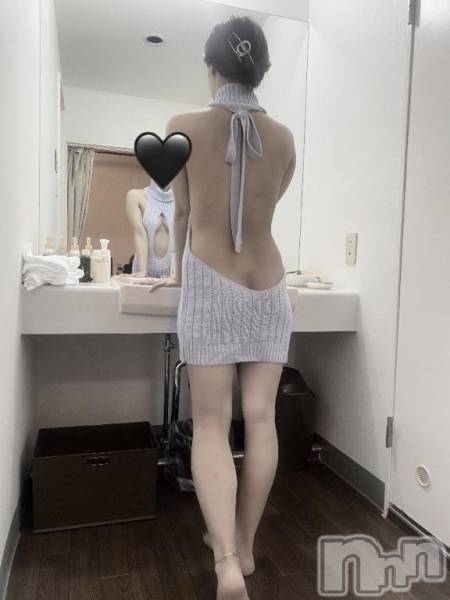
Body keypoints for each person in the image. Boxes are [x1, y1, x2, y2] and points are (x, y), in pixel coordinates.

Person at [148, 15, 296, 600]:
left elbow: (184, 214)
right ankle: (247, 546)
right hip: (271, 284)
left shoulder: (181, 128)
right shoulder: (284, 139)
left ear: (212, 69)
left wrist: (176, 278)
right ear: (260, 71)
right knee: (261, 420)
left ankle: (226, 562)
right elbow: (266, 206)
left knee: (211, 424)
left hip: (211, 281)